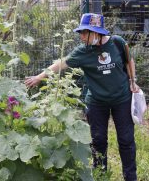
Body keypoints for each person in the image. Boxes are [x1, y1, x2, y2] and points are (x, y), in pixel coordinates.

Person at [25, 13, 139, 181]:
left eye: (86, 32)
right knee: (98, 140)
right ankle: (100, 175)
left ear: (98, 32)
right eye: (81, 32)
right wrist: (39, 77)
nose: (82, 36)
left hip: (121, 99)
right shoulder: (83, 51)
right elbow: (61, 64)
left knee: (126, 140)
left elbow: (129, 61)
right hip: (96, 102)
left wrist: (132, 81)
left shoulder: (117, 43)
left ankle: (131, 177)